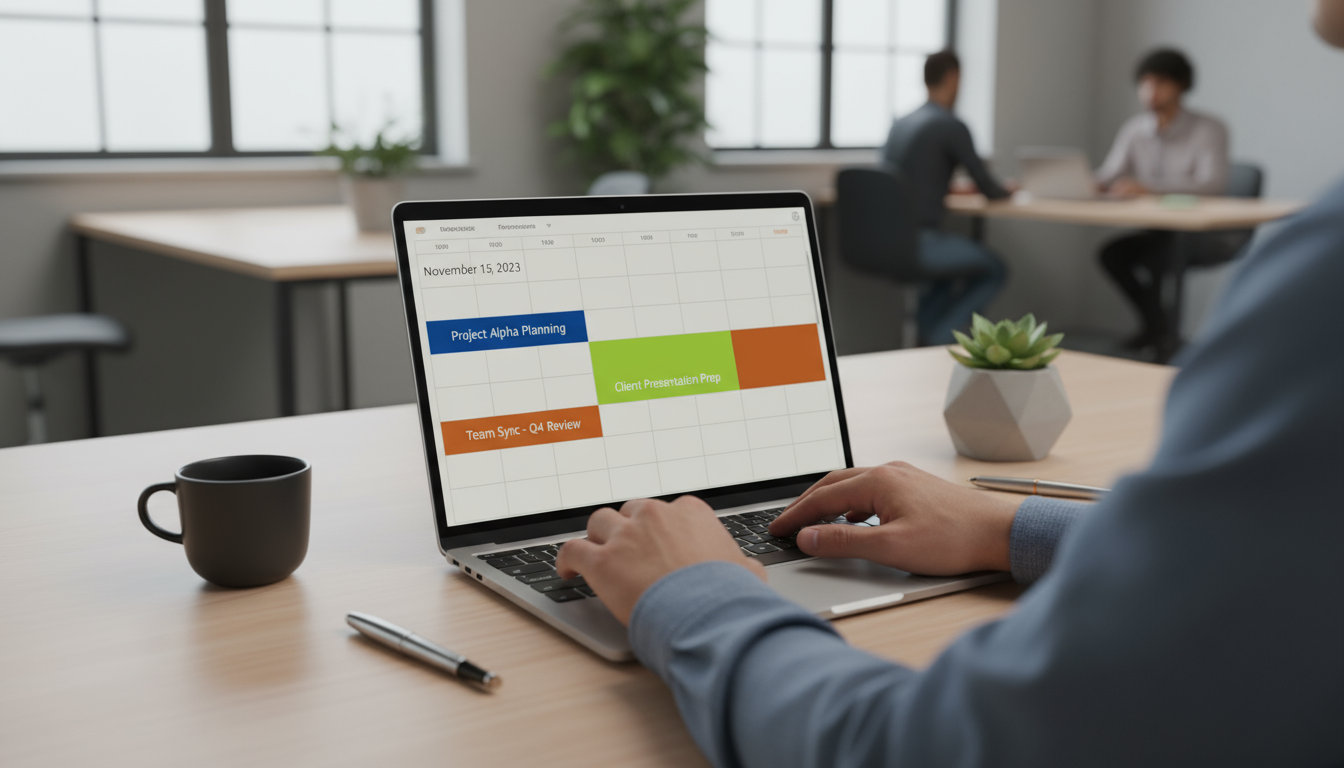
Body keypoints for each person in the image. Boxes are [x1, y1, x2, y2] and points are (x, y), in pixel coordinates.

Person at [554, 4, 1344, 765]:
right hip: (938, 254)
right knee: (985, 270)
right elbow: (1253, 575)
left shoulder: (1325, 280)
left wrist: (694, 594)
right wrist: (1007, 527)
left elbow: (929, 749)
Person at [1095, 49, 1244, 354]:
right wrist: (1067, 182)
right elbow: (1108, 175)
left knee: (1160, 259)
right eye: (1145, 83)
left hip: (1202, 232)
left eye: (1161, 82)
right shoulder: (1135, 130)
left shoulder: (1209, 129)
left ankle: (1164, 339)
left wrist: (1146, 188)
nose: (1151, 91)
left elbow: (1211, 185)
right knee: (1113, 255)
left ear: (1181, 86)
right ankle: (1159, 328)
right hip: (1159, 229)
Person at [879, 50, 1011, 346]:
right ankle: (941, 338)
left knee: (947, 276)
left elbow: (905, 179)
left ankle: (927, 340)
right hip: (921, 242)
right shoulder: (950, 125)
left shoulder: (900, 124)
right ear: (953, 78)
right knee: (994, 268)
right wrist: (1007, 190)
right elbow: (991, 189)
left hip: (886, 241)